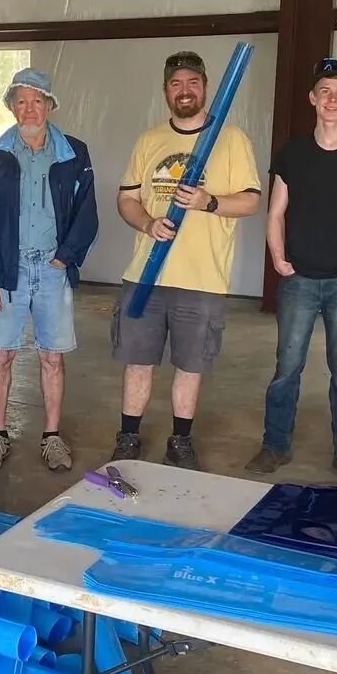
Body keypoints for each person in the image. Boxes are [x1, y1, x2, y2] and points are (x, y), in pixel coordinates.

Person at [110, 50, 261, 470]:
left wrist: (208, 201)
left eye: (193, 82)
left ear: (206, 87)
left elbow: (250, 201)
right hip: (145, 275)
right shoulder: (149, 140)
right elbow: (127, 198)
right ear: (165, 90)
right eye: (176, 83)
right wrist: (147, 223)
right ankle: (128, 435)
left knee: (190, 366)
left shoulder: (231, 140)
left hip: (202, 278)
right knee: (137, 361)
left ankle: (180, 439)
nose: (185, 90)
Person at [244, 57, 337, 484]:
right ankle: (274, 446)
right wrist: (277, 260)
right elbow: (275, 212)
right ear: (312, 98)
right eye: (324, 90)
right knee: (286, 368)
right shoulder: (293, 152)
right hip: (299, 281)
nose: (332, 98)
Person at [0, 68, 98, 474]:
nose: (29, 109)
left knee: (52, 357)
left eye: (37, 101)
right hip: (7, 271)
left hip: (52, 268)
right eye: (20, 101)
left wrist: (65, 257)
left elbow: (86, 214)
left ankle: (51, 436)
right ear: (11, 106)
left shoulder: (74, 153)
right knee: (1, 354)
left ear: (50, 106)